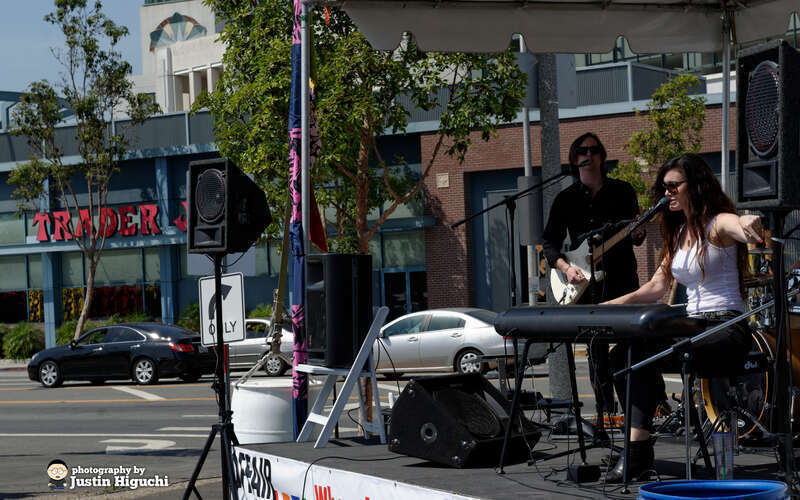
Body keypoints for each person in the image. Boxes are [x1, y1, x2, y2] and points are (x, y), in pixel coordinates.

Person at [602, 153, 762, 482]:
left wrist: (748, 222)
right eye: (665, 187)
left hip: (726, 327)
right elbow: (656, 286)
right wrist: (607, 307)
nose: (668, 193)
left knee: (642, 354)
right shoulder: (677, 234)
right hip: (694, 326)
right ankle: (639, 450)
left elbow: (737, 224)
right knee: (623, 356)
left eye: (674, 185)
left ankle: (637, 455)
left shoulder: (717, 222)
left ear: (696, 185)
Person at [542, 132, 646, 418]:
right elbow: (549, 243)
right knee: (596, 352)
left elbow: (636, 237)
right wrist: (566, 268)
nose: (587, 155)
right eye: (581, 151)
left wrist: (638, 233)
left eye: (593, 150)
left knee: (631, 344)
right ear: (574, 159)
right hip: (586, 284)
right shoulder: (565, 199)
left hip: (623, 279)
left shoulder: (623, 191)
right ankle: (605, 414)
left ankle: (638, 412)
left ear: (601, 156)